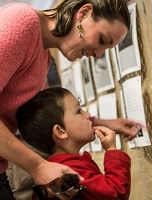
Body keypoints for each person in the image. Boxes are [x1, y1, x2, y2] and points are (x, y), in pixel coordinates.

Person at [0, 0, 140, 199]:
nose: (98, 55)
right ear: (83, 14)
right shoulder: (21, 22)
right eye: (101, 40)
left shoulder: (44, 56)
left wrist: (102, 123)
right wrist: (38, 166)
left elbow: (45, 116)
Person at [16, 87, 131, 200]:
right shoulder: (68, 171)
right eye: (79, 111)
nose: (87, 115)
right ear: (61, 131)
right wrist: (112, 150)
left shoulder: (65, 164)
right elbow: (116, 194)